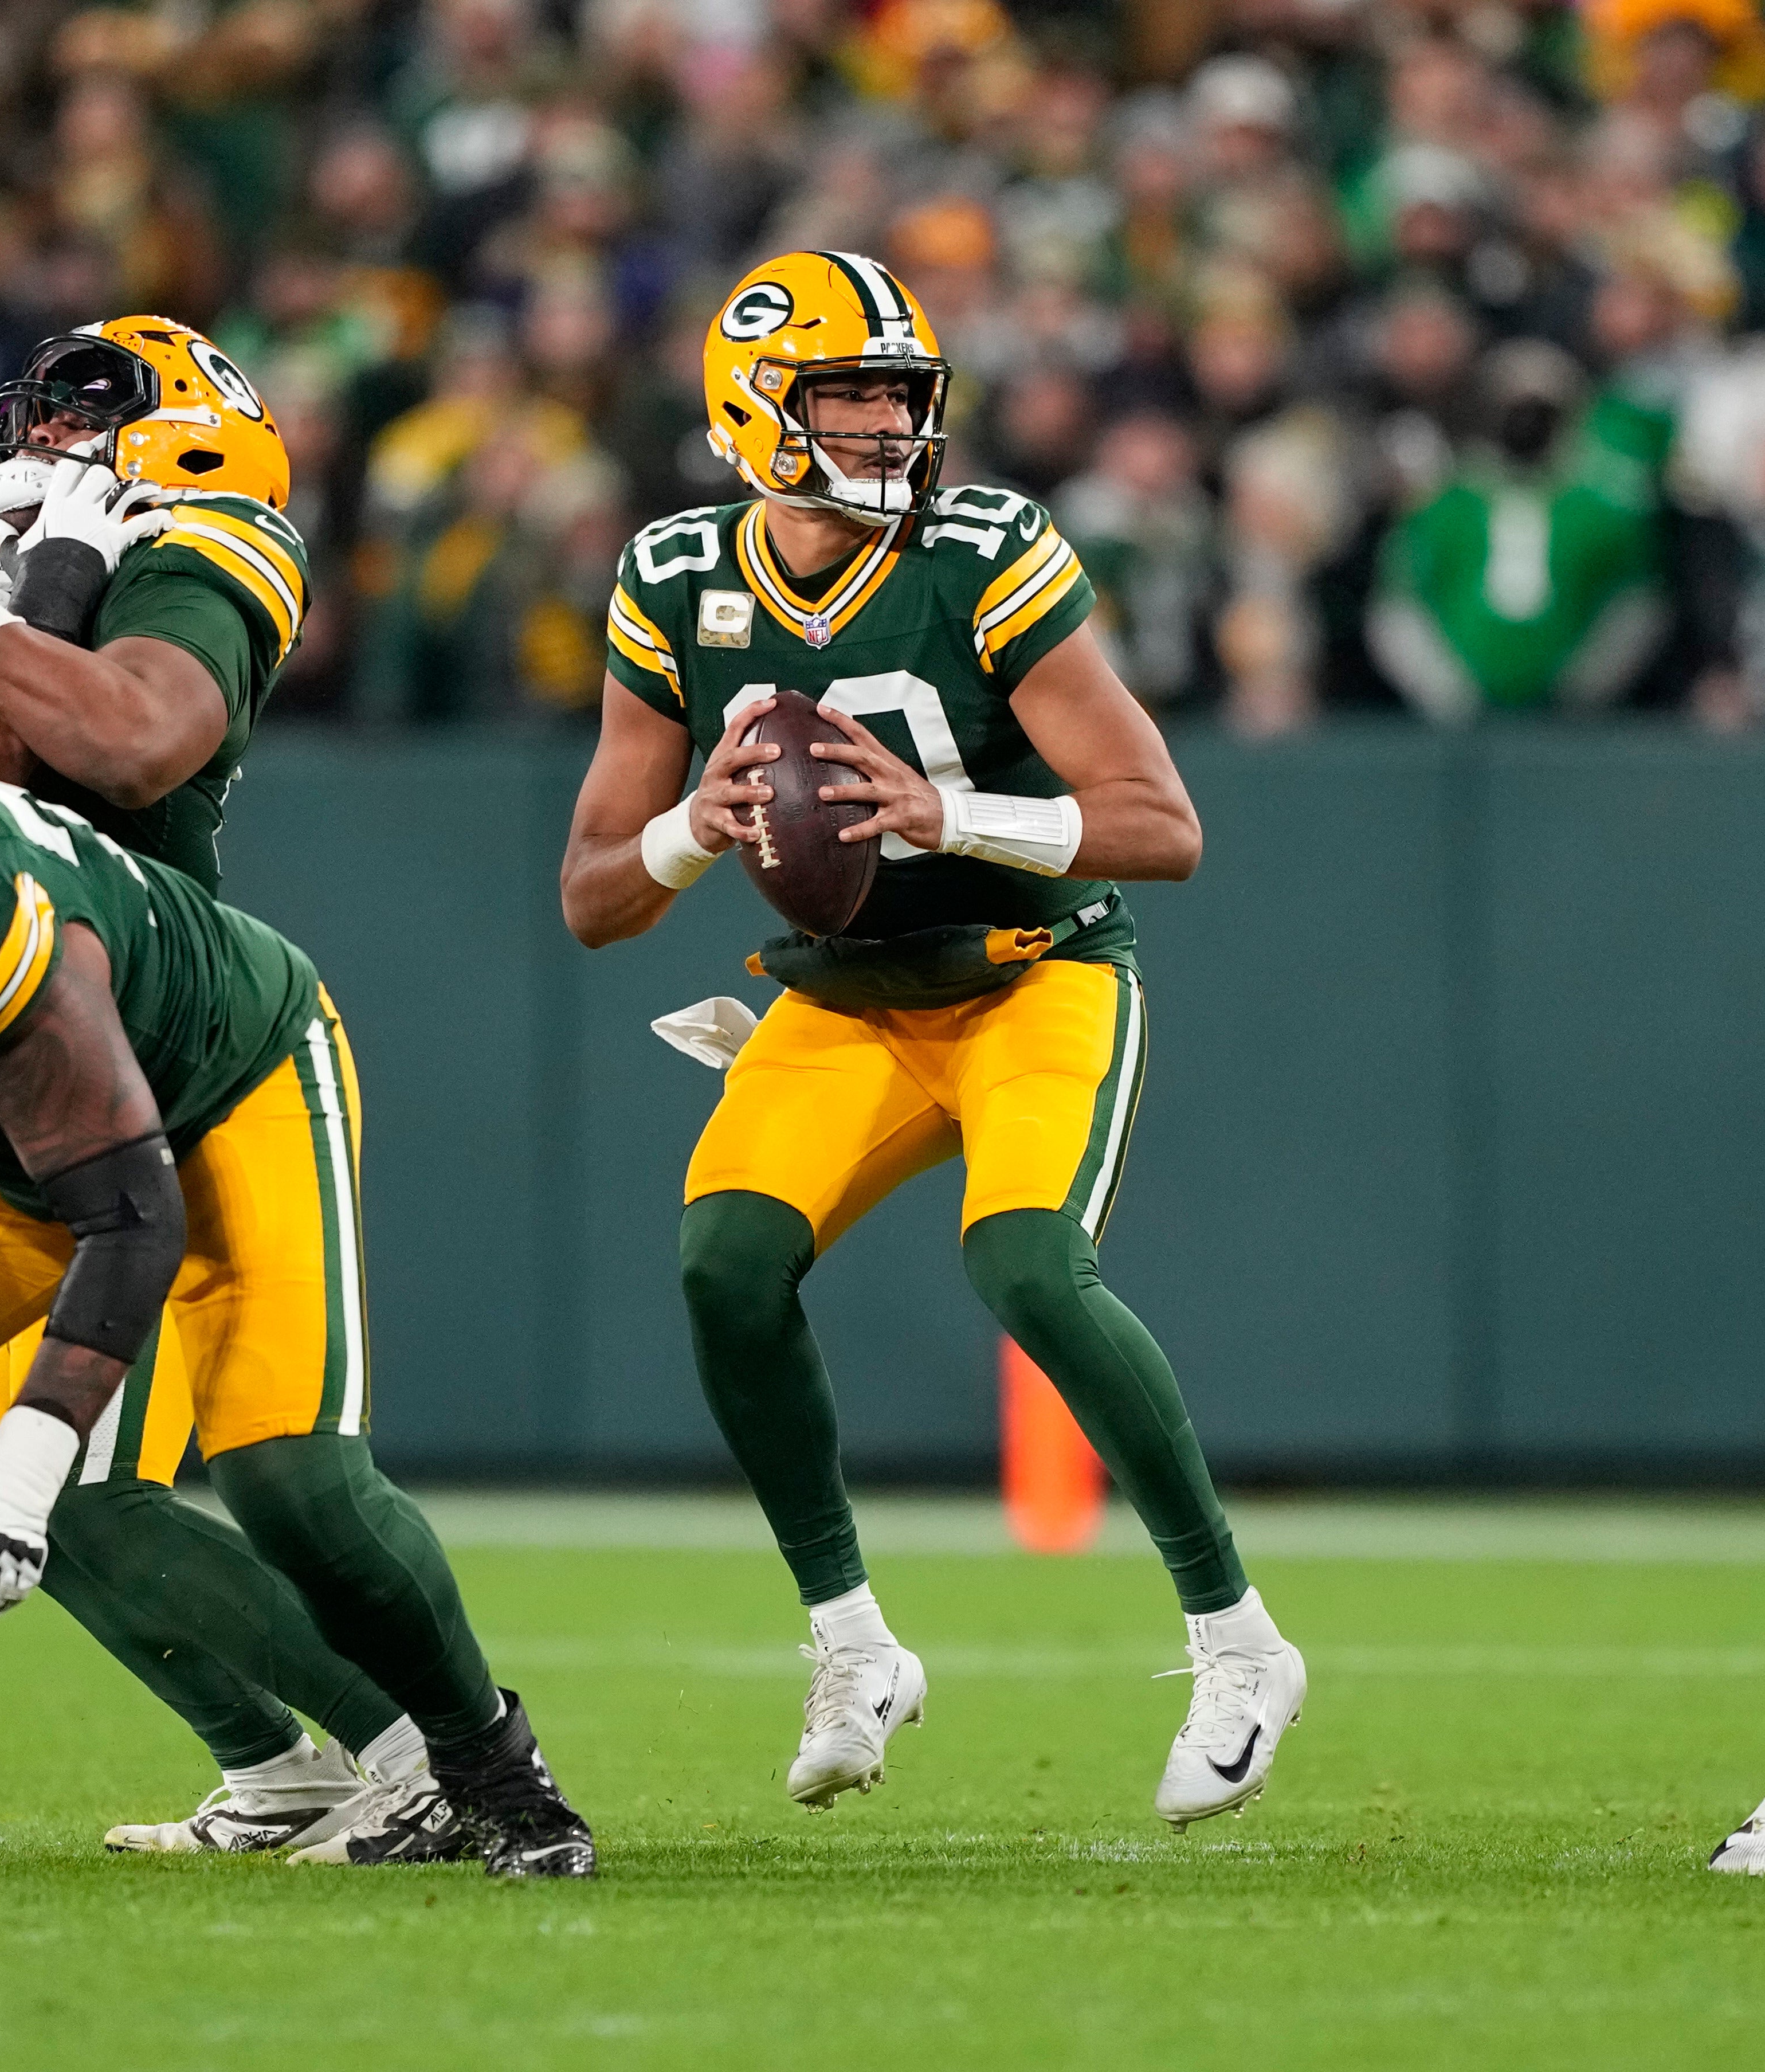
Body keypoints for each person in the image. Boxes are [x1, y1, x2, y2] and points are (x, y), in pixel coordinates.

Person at [0, 621, 596, 1878]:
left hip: (216, 1097)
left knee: (291, 1480)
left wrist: (25, 1464)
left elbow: (130, 1215)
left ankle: (489, 1775)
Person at [555, 250, 1306, 1832]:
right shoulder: (674, 576)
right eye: (849, 399)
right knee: (722, 1265)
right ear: (754, 411)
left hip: (1033, 970)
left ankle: (1239, 1643)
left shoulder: (981, 551)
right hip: (845, 996)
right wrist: (692, 831)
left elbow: (1160, 824)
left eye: (900, 399)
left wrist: (946, 813)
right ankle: (852, 1646)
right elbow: (591, 898)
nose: (888, 429)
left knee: (1026, 1263)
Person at [0, 318, 428, 1857]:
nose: (42, 441)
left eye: (85, 408)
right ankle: (261, 1767)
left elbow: (128, 744)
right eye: (32, 414)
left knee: (206, 1477)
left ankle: (438, 1754)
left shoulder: (201, 548)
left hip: (160, 1060)